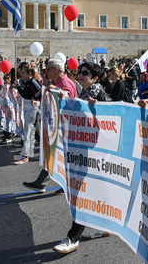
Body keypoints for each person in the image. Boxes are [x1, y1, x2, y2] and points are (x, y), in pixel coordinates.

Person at [53, 62, 112, 254]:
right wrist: (66, 100)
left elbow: (112, 120)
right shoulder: (83, 94)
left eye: (85, 73)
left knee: (81, 193)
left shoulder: (99, 95)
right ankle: (103, 227)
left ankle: (73, 237)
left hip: (94, 153)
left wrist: (98, 109)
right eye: (79, 71)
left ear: (95, 78)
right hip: (83, 151)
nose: (80, 75)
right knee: (96, 190)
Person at [23, 58, 77, 192]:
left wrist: (56, 89)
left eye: (48, 69)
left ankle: (64, 185)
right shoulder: (58, 82)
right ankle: (43, 182)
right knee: (55, 154)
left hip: (65, 127)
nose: (46, 72)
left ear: (56, 70)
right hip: (59, 126)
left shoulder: (64, 83)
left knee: (59, 155)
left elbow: (69, 101)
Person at [13, 63, 42, 164]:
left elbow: (41, 90)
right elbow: (24, 94)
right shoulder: (26, 82)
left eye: (23, 73)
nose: (22, 75)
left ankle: (26, 155)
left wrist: (35, 98)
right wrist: (18, 87)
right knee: (33, 131)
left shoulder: (33, 81)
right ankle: (35, 153)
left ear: (30, 73)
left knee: (29, 131)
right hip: (27, 107)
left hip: (32, 108)